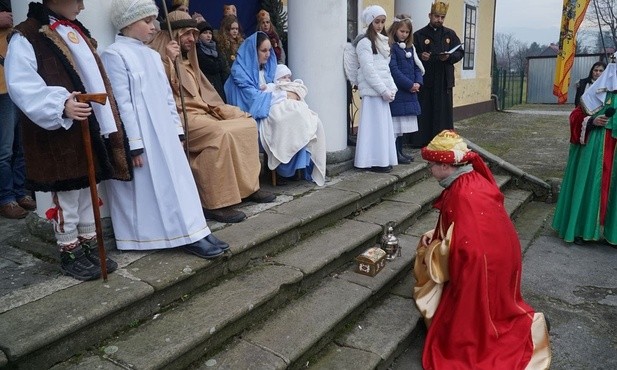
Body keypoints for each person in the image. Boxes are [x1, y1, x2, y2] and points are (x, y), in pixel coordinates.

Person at [6, 0, 132, 281]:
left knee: (88, 190)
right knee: (67, 195)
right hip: (58, 130)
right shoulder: (26, 35)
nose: (82, 6)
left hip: (88, 124)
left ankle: (88, 243)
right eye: (77, 0)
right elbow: (22, 84)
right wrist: (60, 104)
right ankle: (69, 249)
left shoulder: (75, 31)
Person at [414, 130, 551, 369]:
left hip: (481, 266)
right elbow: (464, 234)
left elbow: (464, 248)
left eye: (432, 165)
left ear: (446, 166)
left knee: (460, 342)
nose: (429, 170)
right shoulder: (470, 181)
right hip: (499, 258)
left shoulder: (463, 193)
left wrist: (433, 247)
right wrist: (436, 237)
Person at [101, 0, 228, 258]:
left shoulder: (151, 55)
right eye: (146, 21)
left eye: (154, 20)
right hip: (143, 135)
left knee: (178, 182)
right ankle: (171, 234)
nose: (154, 26)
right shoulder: (115, 54)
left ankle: (195, 229)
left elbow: (168, 97)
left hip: (164, 132)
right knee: (153, 187)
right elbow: (122, 105)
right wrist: (132, 143)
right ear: (127, 23)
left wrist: (177, 130)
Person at [149, 10, 275, 223]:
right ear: (173, 36)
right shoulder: (157, 61)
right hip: (180, 119)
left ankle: (248, 187)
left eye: (193, 34)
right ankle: (216, 203)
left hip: (203, 114)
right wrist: (169, 61)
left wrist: (226, 111)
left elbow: (208, 98)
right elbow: (162, 93)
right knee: (218, 133)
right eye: (187, 34)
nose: (192, 39)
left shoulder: (190, 63)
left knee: (247, 123)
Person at [225, 32, 326, 185]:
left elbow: (275, 88)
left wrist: (287, 93)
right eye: (263, 51)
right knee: (282, 121)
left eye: (269, 50)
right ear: (253, 51)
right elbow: (253, 99)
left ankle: (300, 165)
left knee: (306, 118)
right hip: (251, 114)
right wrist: (285, 95)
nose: (268, 54)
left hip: (269, 107)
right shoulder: (240, 72)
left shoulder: (268, 68)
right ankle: (282, 169)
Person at [552, 58, 617, 245]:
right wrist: (592, 122)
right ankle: (582, 229)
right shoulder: (596, 91)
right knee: (591, 184)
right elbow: (576, 116)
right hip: (596, 146)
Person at [0, 0, 37, 219]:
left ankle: (20, 191)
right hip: (1, 88)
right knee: (4, 149)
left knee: (22, 145)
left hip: (16, 82)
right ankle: (6, 198)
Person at [412, 1, 463, 148]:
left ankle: (443, 140)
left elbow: (459, 52)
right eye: (436, 16)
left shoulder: (450, 34)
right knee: (425, 110)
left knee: (443, 112)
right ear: (430, 16)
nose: (439, 20)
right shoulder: (419, 35)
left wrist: (449, 57)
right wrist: (422, 56)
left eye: (442, 17)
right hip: (426, 79)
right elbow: (412, 53)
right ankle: (422, 140)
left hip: (444, 80)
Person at [354, 5, 398, 173]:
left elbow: (385, 70)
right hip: (373, 94)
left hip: (383, 93)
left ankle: (382, 159)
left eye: (382, 22)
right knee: (373, 128)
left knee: (382, 128)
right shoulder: (364, 43)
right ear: (370, 22)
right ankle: (370, 160)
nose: (380, 25)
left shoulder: (383, 41)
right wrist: (382, 90)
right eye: (377, 21)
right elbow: (368, 70)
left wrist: (392, 88)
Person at [387, 14, 424, 164]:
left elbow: (417, 67)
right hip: (400, 91)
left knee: (402, 127)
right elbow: (394, 70)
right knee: (396, 126)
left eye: (407, 32)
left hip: (410, 91)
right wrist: (409, 85)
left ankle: (400, 151)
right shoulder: (392, 48)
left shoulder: (410, 48)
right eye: (402, 31)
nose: (404, 34)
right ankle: (395, 153)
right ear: (395, 29)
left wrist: (418, 82)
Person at [195, 20, 228, 102]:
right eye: (205, 33)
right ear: (199, 35)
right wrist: (218, 64)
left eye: (210, 33)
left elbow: (222, 64)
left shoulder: (216, 47)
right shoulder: (197, 49)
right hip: (206, 85)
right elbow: (209, 66)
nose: (208, 35)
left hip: (219, 84)